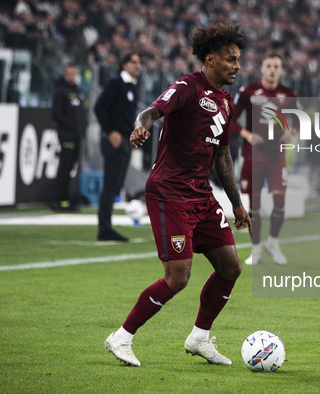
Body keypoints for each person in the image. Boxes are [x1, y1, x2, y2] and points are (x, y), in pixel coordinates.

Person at [104, 24, 251, 367]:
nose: (237, 66)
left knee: (230, 268)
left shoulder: (226, 103)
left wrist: (237, 203)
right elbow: (151, 111)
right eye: (231, 60)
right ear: (210, 59)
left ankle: (199, 338)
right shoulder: (186, 87)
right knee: (178, 277)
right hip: (169, 193)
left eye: (238, 59)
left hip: (201, 195)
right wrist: (142, 125)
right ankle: (121, 337)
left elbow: (223, 156)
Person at [229, 52, 297, 265]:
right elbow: (230, 118)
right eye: (269, 66)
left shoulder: (288, 93)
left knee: (279, 202)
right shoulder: (248, 91)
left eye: (276, 66)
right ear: (262, 68)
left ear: (281, 70)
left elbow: (298, 120)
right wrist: (247, 134)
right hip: (253, 155)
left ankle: (273, 243)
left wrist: (291, 132)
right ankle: (256, 249)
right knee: (254, 205)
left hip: (277, 154)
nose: (272, 70)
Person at [94, 52, 141, 241]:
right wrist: (110, 131)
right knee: (110, 184)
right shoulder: (116, 83)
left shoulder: (132, 86)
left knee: (116, 185)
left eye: (139, 63)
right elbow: (100, 107)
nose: (138, 66)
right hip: (114, 139)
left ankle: (107, 226)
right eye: (134, 62)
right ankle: (104, 228)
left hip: (125, 140)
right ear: (124, 64)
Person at [51, 64, 87, 211]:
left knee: (71, 167)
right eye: (68, 74)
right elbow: (56, 114)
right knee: (64, 167)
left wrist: (81, 129)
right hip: (67, 135)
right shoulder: (60, 91)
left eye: (73, 74)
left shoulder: (78, 91)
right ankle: (60, 200)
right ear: (64, 75)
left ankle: (68, 198)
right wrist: (71, 127)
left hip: (77, 136)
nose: (70, 77)